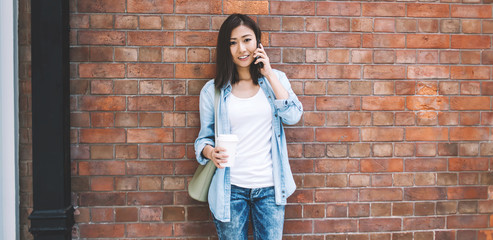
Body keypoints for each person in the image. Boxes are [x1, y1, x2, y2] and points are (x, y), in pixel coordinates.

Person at [194, 13, 303, 240]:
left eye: (247, 40)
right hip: (230, 189)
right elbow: (203, 139)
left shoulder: (277, 79)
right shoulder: (212, 91)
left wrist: (269, 73)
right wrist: (210, 152)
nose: (241, 49)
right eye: (232, 43)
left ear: (257, 42)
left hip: (271, 188)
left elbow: (293, 116)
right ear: (226, 48)